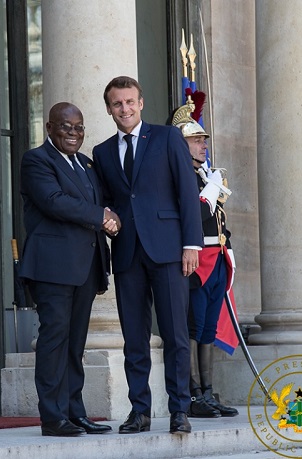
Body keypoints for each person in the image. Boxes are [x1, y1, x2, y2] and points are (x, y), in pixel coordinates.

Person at [92, 76, 203, 435]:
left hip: (169, 250)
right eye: (116, 104)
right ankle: (139, 410)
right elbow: (108, 199)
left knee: (175, 335)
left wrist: (192, 245)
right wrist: (107, 217)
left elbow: (187, 192)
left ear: (141, 103)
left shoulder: (168, 137)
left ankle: (179, 410)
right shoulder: (103, 152)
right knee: (134, 339)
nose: (124, 109)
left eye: (129, 102)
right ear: (109, 109)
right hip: (127, 254)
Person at [19, 102, 120, 437]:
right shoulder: (37, 160)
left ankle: (75, 412)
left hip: (86, 267)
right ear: (49, 128)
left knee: (75, 344)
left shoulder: (86, 164)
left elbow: (101, 200)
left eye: (79, 127)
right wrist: (101, 216)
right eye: (65, 126)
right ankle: (52, 416)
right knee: (54, 340)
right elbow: (54, 201)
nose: (73, 133)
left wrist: (111, 214)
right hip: (52, 267)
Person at [171, 97, 239, 418]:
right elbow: (193, 215)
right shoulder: (181, 175)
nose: (202, 146)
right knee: (194, 328)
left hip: (217, 260)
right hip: (198, 262)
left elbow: (219, 222)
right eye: (196, 140)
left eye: (203, 141)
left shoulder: (204, 174)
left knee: (208, 329)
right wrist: (208, 193)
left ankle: (207, 392)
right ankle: (192, 393)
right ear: (180, 144)